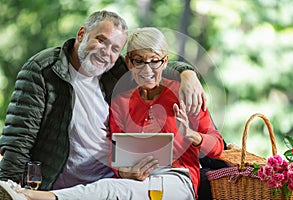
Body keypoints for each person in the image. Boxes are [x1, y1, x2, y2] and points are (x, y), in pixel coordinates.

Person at [0, 27, 223, 200]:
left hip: (177, 179)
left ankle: (37, 197)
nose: (147, 70)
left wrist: (193, 136)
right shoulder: (121, 101)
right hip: (136, 182)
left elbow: (218, 147)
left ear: (165, 61)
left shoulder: (185, 94)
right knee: (114, 186)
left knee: (109, 188)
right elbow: (115, 156)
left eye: (154, 61)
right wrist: (125, 172)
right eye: (139, 61)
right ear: (129, 63)